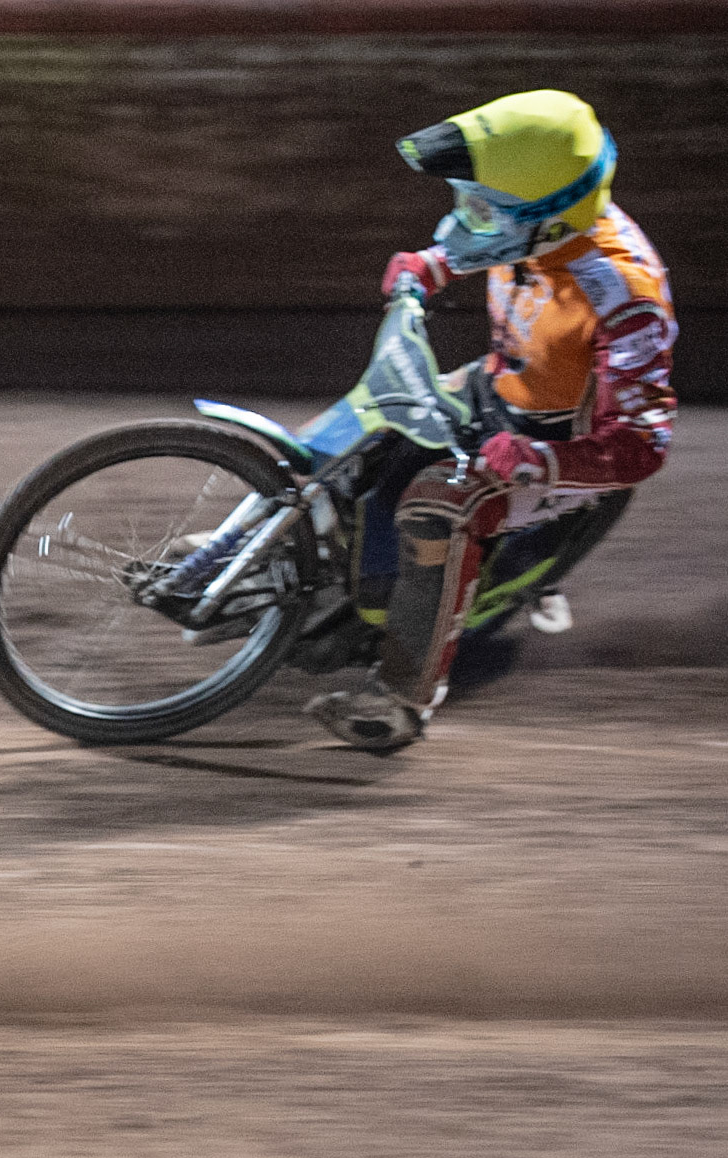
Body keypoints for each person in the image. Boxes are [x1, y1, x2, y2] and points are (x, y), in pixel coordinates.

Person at [306, 89, 676, 750]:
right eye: (462, 198)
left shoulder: (627, 297)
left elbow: (643, 445)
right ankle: (240, 551)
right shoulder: (537, 220)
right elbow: (476, 245)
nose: (463, 217)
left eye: (479, 205)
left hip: (561, 447)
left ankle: (400, 701)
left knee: (436, 506)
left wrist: (542, 461)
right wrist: (428, 266)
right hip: (499, 386)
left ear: (550, 221)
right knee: (370, 419)